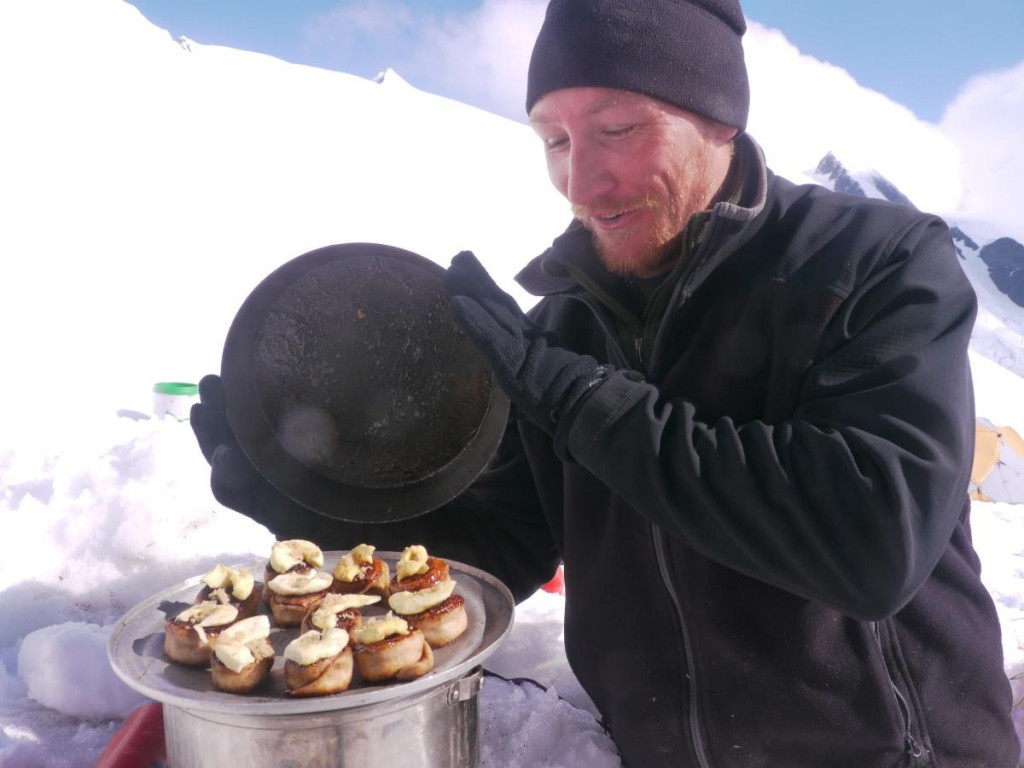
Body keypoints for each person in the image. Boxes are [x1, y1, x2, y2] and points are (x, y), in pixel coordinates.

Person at [191, 0, 1020, 765]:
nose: (582, 184)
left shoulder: (873, 264)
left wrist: (582, 398)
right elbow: (498, 555)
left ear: (718, 121)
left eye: (618, 128)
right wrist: (304, 508)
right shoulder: (566, 326)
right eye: (555, 141)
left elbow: (872, 542)